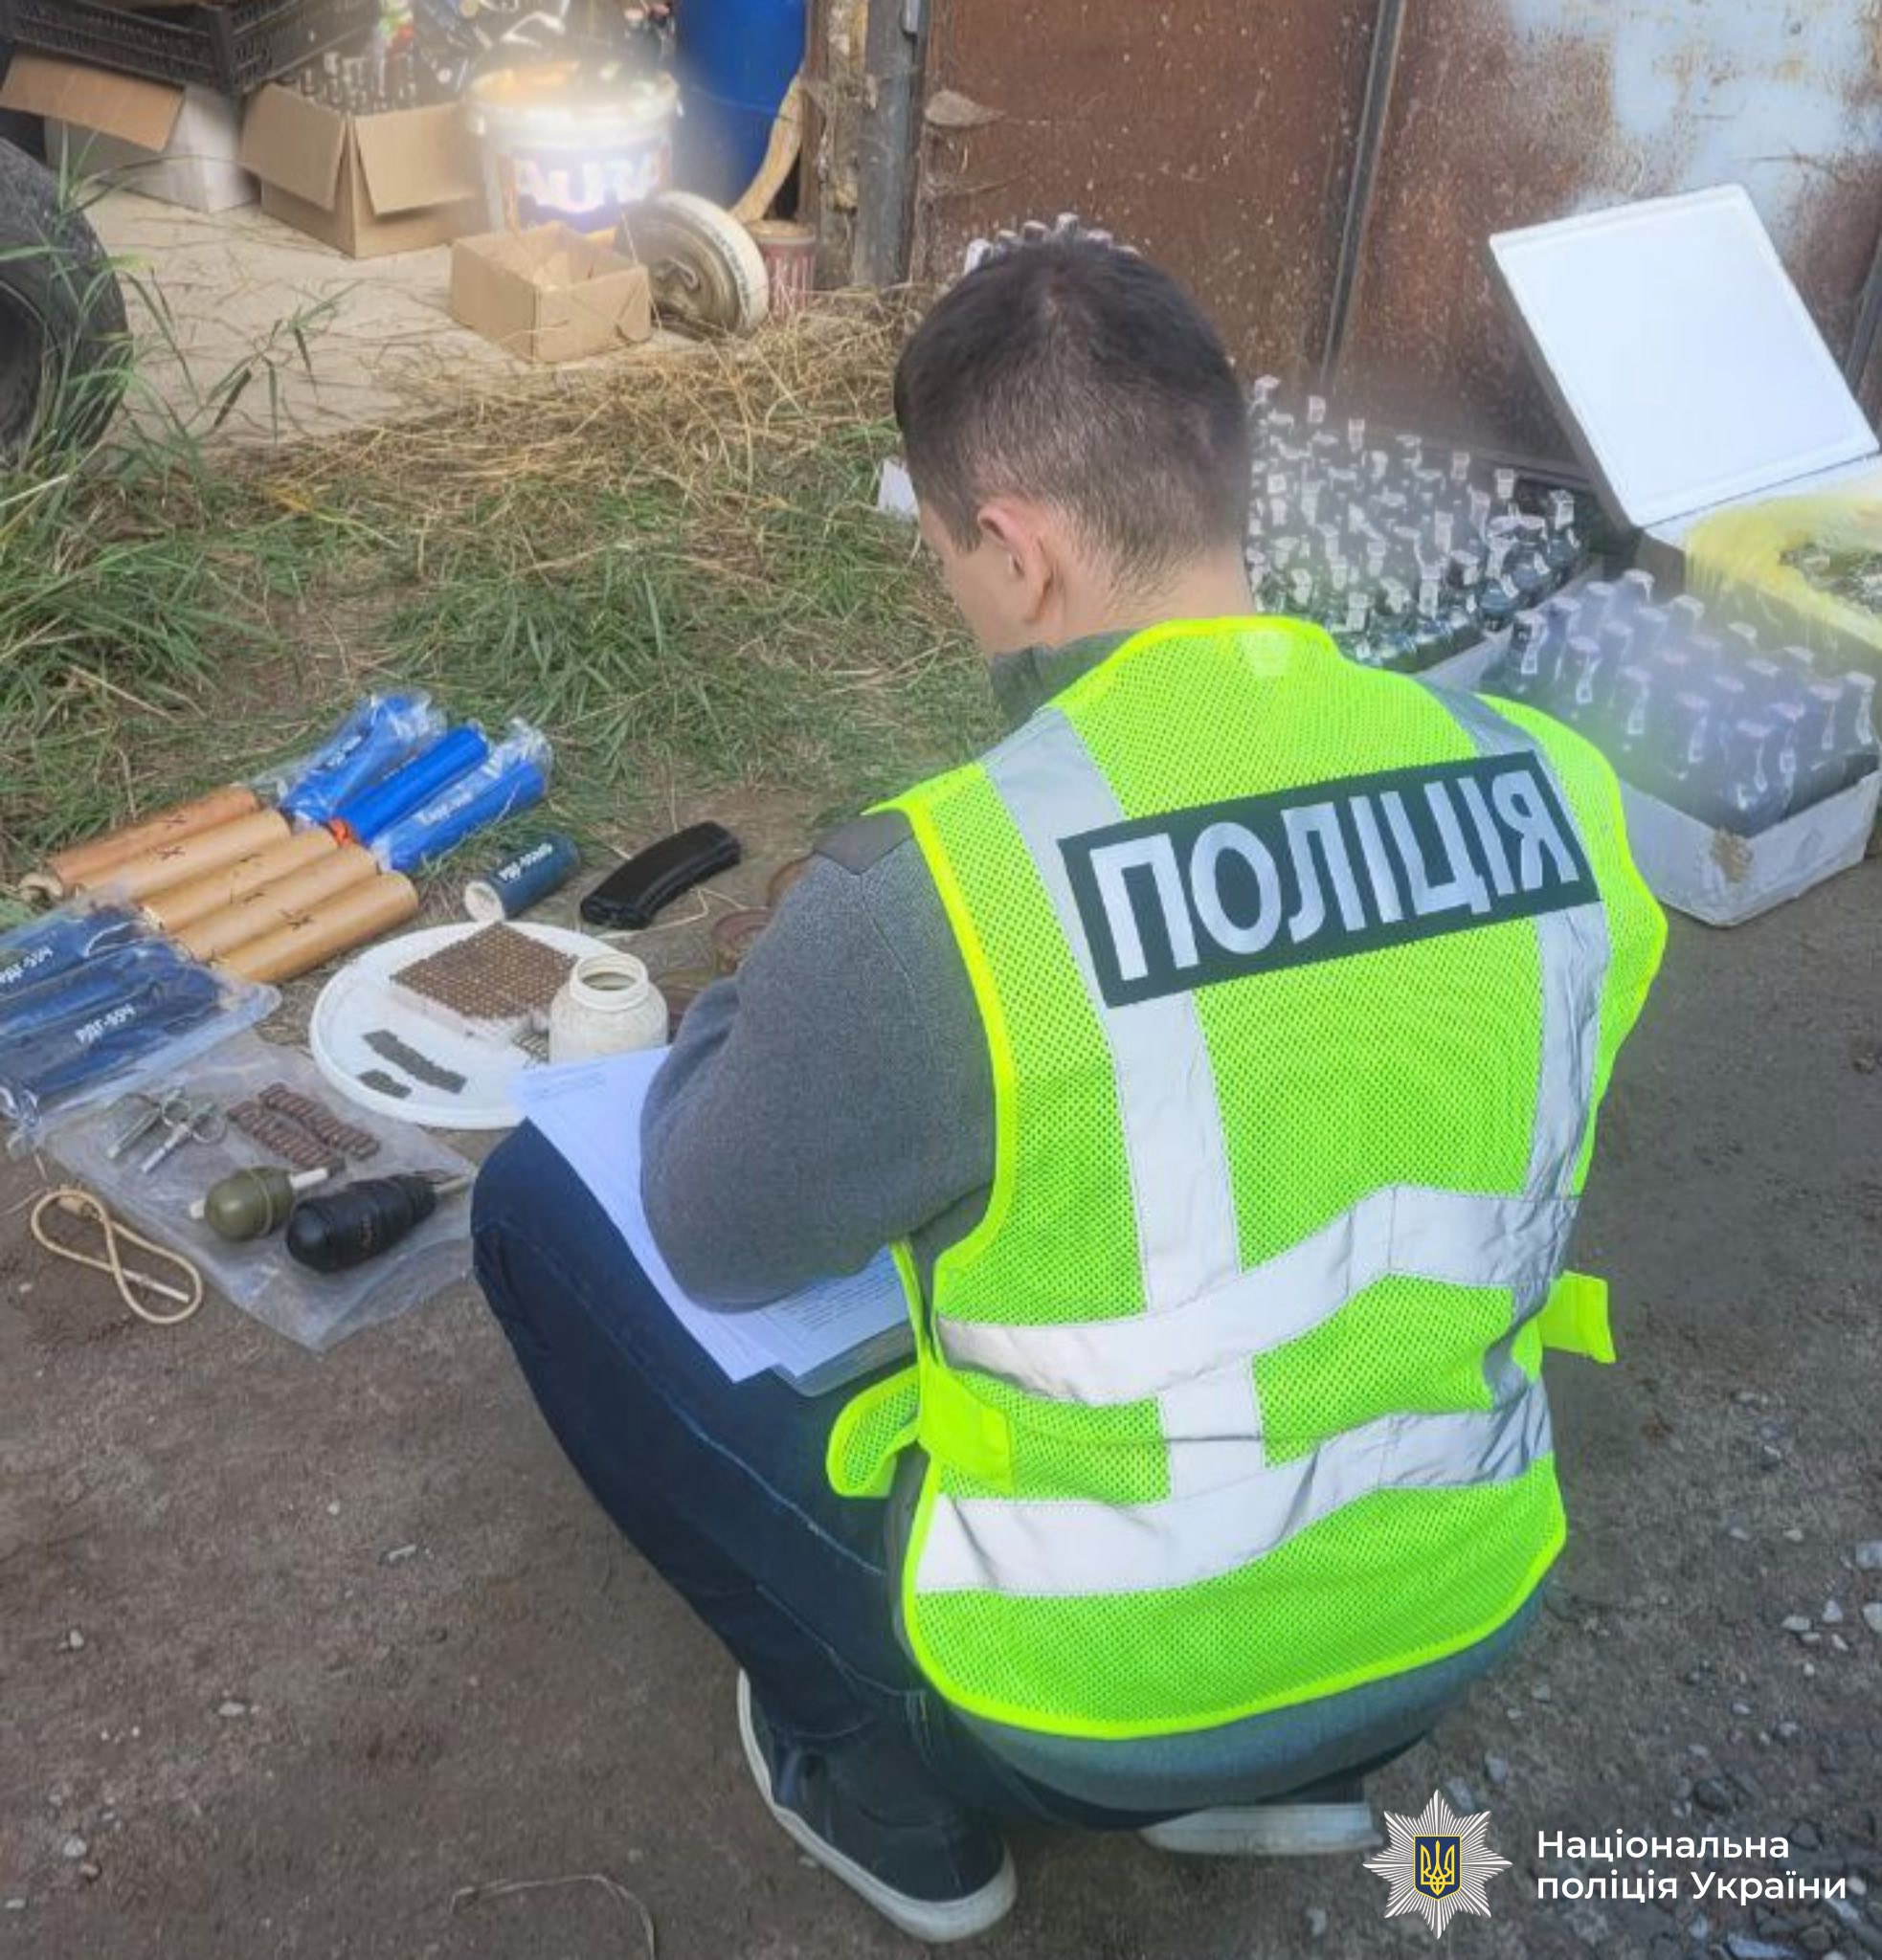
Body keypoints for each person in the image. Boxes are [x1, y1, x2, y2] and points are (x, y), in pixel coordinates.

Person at [473, 237, 1667, 1943]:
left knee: (535, 1207)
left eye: (944, 554)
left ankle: (883, 1785)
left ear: (1016, 550)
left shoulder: (950, 890)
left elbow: (718, 1233)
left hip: (1076, 1700)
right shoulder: (1551, 789)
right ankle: (1297, 1765)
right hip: (1455, 1611)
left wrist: (763, 989)